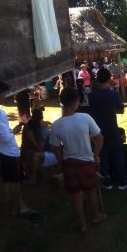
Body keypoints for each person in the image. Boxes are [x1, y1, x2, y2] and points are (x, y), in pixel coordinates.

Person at [50, 88, 106, 232]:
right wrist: (96, 155)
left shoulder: (56, 125)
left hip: (69, 162)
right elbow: (99, 138)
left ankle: (82, 224)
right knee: (91, 190)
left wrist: (61, 165)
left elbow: (56, 149)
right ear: (77, 101)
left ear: (61, 102)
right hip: (87, 161)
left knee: (76, 194)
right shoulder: (85, 118)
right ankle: (96, 215)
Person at [0, 81, 34, 216]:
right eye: (4, 94)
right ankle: (15, 209)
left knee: (8, 180)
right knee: (15, 182)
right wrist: (13, 132)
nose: (5, 96)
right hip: (9, 152)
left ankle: (18, 206)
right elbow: (5, 137)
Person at [88, 69, 127, 190]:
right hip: (112, 128)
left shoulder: (91, 95)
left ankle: (107, 181)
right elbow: (121, 109)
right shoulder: (113, 94)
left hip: (97, 130)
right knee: (118, 155)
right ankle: (122, 181)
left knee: (102, 155)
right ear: (109, 79)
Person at [21, 110, 57, 184]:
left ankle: (33, 178)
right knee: (28, 152)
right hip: (44, 151)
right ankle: (29, 175)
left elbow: (40, 148)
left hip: (52, 154)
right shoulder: (30, 125)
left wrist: (31, 138)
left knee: (35, 154)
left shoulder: (43, 131)